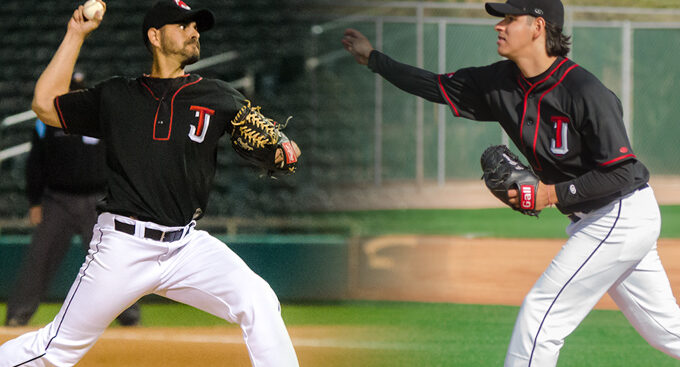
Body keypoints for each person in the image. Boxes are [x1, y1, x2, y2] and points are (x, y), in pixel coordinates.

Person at [342, 0, 680, 365]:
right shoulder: (500, 82)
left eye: (509, 18)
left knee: (541, 316)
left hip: (620, 214)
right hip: (603, 218)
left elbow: (622, 172)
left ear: (538, 27)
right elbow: (436, 86)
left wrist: (551, 193)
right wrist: (373, 58)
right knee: (667, 331)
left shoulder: (586, 92)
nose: (498, 26)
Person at [0, 0, 301, 366]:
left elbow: (267, 138)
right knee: (56, 350)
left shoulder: (218, 95)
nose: (194, 32)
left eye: (197, 27)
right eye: (183, 25)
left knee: (258, 299)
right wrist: (76, 33)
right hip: (123, 246)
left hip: (186, 246)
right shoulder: (117, 96)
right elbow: (45, 105)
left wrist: (282, 148)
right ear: (155, 36)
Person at [5, 71, 140, 329]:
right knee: (39, 260)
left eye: (79, 91)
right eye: (71, 90)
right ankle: (17, 316)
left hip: (98, 202)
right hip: (57, 201)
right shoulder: (48, 121)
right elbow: (36, 162)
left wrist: (123, 199)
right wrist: (35, 202)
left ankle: (130, 317)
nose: (75, 95)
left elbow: (120, 161)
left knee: (112, 260)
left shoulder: (101, 119)